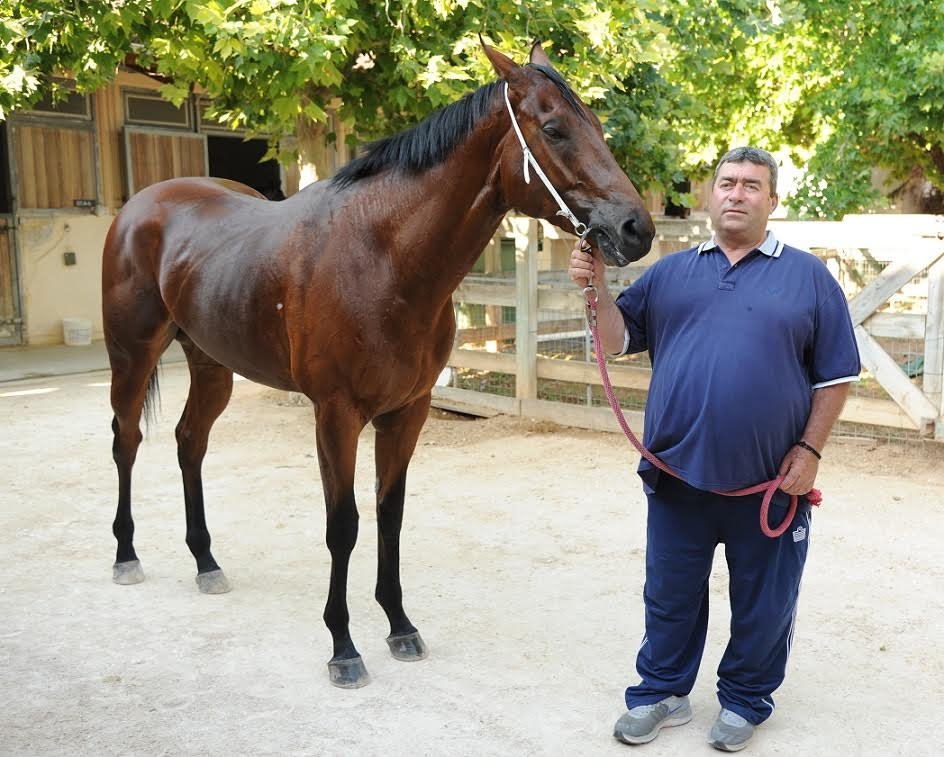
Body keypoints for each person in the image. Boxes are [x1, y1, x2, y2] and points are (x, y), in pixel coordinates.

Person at [568, 147, 860, 752]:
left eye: (752, 186)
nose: (736, 194)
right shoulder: (672, 274)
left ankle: (746, 700)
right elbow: (619, 339)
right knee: (670, 594)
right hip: (677, 476)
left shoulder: (808, 276)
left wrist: (809, 451)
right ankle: (663, 692)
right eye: (726, 182)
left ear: (773, 201)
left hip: (771, 484)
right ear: (710, 195)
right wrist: (595, 285)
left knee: (765, 603)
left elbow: (836, 375)